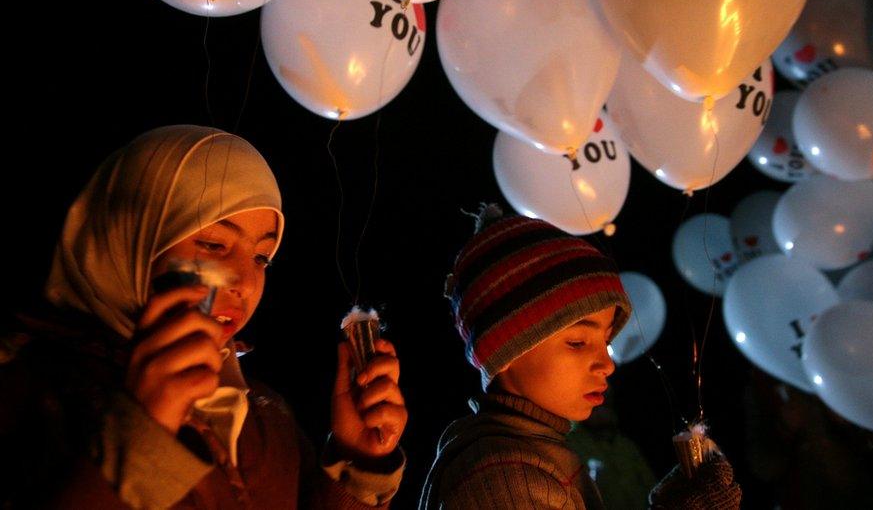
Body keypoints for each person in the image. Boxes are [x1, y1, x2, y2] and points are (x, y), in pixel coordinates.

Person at [0, 125, 407, 509]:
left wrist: (358, 463)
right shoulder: (31, 392)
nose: (244, 284)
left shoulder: (265, 419)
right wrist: (142, 434)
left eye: (262, 257)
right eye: (213, 244)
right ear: (131, 236)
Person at [420, 204, 741, 509]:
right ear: (503, 350)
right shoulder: (503, 477)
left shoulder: (534, 453)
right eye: (577, 342)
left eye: (605, 340)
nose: (607, 364)